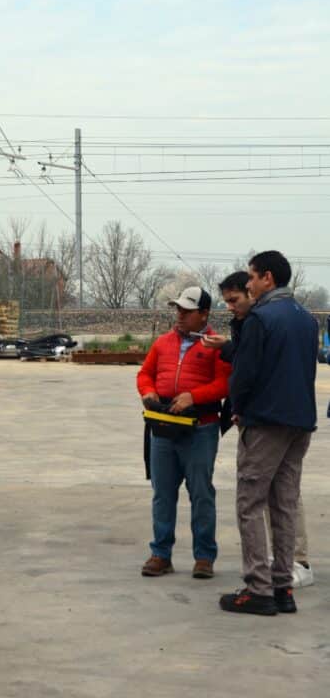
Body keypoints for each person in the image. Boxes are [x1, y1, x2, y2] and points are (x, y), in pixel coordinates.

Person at [219, 250, 318, 616]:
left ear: (268, 279)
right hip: (299, 424)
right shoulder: (306, 320)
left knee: (250, 503)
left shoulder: (261, 318)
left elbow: (245, 373)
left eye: (252, 277)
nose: (248, 283)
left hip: (266, 422)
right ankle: (283, 588)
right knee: (285, 503)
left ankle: (258, 589)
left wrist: (239, 409)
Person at [137, 286, 230, 579]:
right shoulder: (162, 343)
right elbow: (145, 374)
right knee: (162, 494)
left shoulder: (215, 347)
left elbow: (226, 384)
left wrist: (194, 396)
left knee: (201, 493)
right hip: (163, 427)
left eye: (187, 311)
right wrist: (149, 391)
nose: (180, 315)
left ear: (204, 314)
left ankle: (204, 557)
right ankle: (160, 554)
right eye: (178, 309)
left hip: (200, 428)